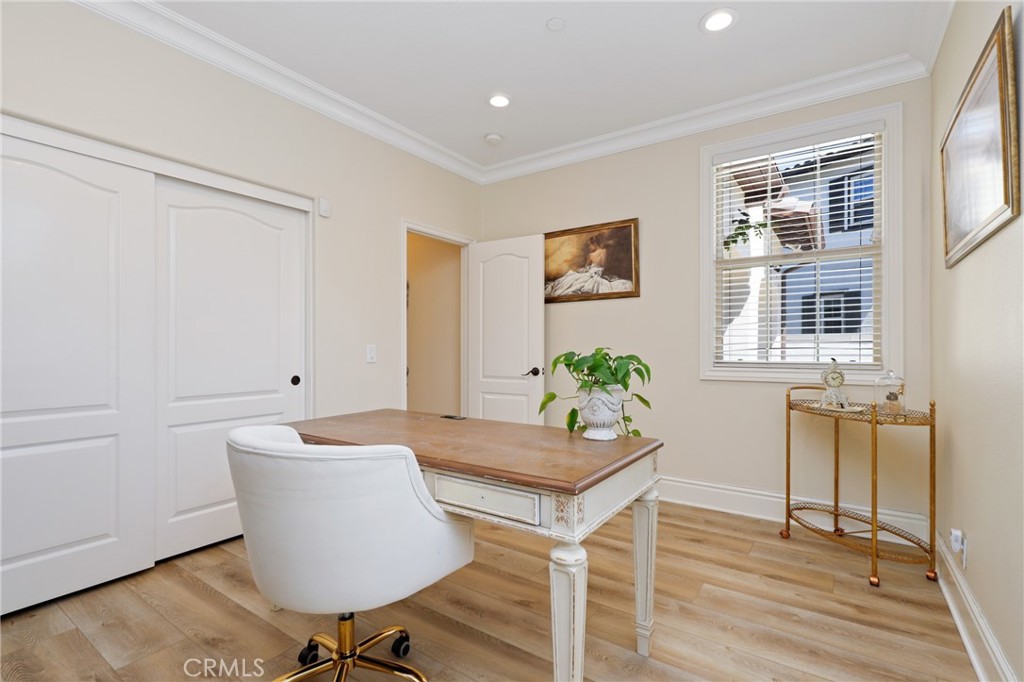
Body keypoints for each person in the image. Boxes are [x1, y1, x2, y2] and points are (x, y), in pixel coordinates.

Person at [545, 233, 632, 297]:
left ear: (594, 244)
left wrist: (581, 271)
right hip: (603, 273)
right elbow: (607, 264)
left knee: (572, 280)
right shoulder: (605, 251)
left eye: (590, 245)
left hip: (594, 273)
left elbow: (587, 267)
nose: (589, 247)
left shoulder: (591, 255)